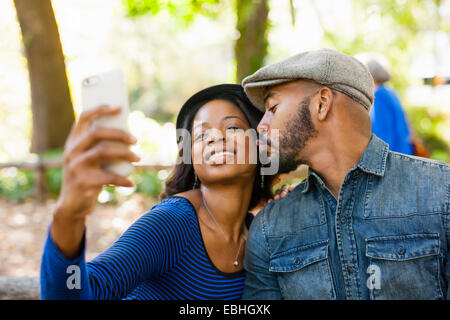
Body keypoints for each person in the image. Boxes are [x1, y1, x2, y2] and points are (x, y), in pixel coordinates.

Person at [241, 48, 450, 300]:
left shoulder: (442, 194)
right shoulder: (269, 227)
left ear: (322, 103)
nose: (261, 125)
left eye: (273, 108)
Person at [40, 84, 281, 300]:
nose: (215, 138)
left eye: (232, 127)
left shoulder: (259, 234)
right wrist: (69, 216)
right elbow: (83, 292)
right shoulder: (172, 224)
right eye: (201, 134)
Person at [365, 58, 414, 155]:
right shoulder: (391, 92)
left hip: (392, 156)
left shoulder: (379, 95)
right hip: (403, 152)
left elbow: (382, 132)